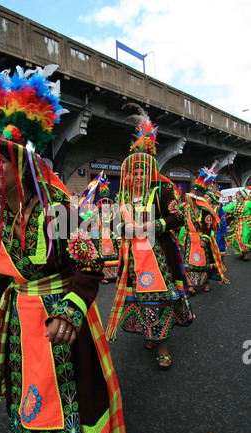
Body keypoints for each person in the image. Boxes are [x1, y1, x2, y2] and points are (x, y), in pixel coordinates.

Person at [0, 64, 127, 433]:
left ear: (21, 164)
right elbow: (2, 274)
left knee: (68, 396)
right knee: (27, 393)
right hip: (19, 322)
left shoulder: (58, 211)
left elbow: (90, 264)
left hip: (58, 318)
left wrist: (69, 311)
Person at [106, 104, 194, 370]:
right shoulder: (121, 197)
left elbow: (177, 217)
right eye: (134, 171)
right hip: (132, 261)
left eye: (143, 170)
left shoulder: (162, 192)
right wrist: (123, 229)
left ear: (151, 172)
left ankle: (163, 346)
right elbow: (113, 224)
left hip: (160, 259)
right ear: (128, 174)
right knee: (141, 300)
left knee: (160, 299)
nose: (138, 174)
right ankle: (150, 333)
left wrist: (152, 226)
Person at [182, 166, 230, 294]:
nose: (191, 200)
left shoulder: (205, 211)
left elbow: (208, 227)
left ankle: (206, 282)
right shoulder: (187, 210)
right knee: (188, 263)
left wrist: (204, 239)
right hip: (190, 240)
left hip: (201, 240)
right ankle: (191, 285)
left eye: (193, 198)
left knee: (204, 263)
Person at [223, 188, 251, 261]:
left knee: (244, 238)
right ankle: (242, 253)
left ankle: (245, 254)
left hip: (245, 223)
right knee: (237, 239)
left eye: (237, 195)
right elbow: (226, 208)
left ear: (241, 196)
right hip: (237, 223)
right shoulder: (235, 203)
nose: (236, 197)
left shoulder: (248, 203)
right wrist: (218, 207)